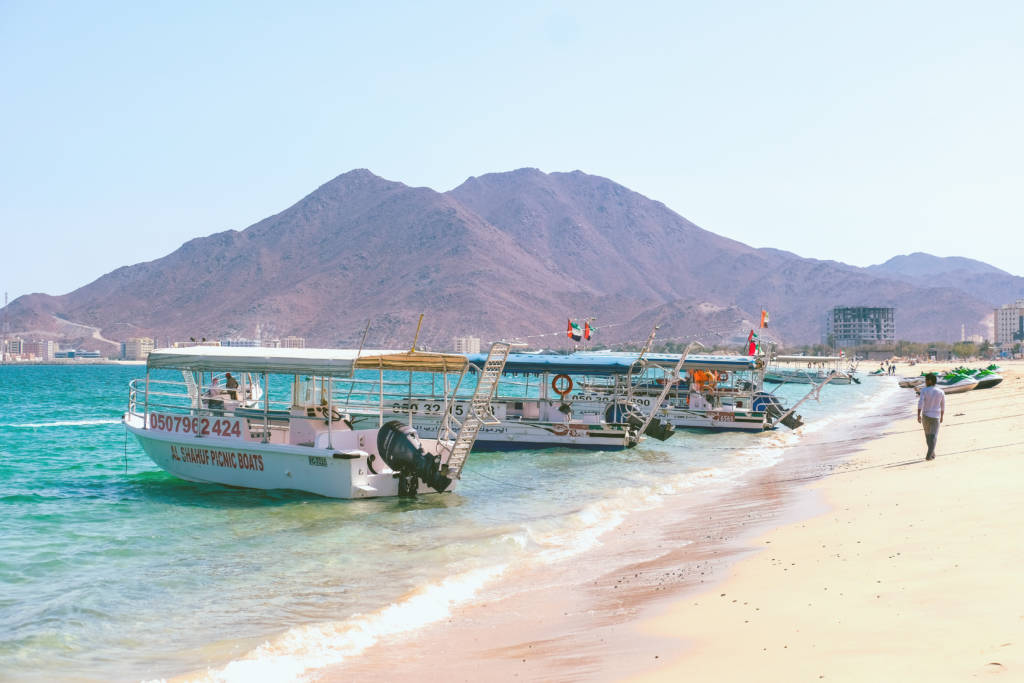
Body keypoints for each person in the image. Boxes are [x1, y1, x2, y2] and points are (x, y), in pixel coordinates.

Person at [917, 373, 945, 460]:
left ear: (930, 381)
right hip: (935, 416)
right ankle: (931, 453)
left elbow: (920, 403)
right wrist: (942, 416)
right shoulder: (940, 391)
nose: (925, 382)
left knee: (928, 436)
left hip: (926, 415)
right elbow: (943, 405)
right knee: (933, 436)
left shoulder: (924, 390)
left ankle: (930, 454)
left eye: (926, 380)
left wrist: (918, 415)